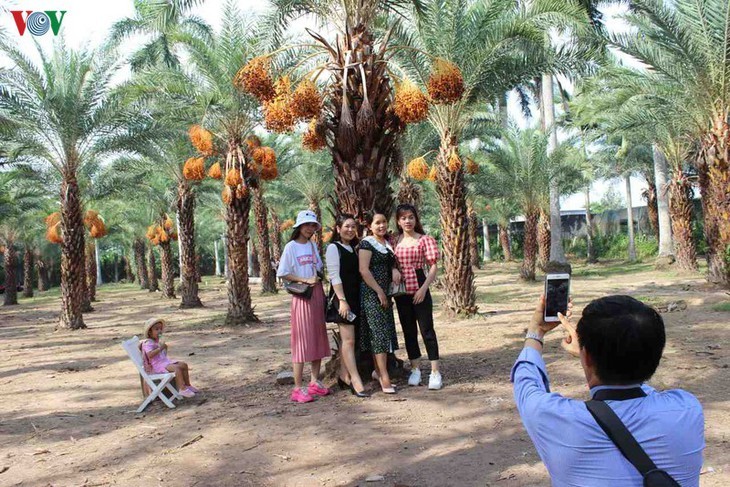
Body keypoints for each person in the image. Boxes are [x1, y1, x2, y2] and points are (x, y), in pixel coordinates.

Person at [512, 295, 704, 486]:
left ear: (586, 357)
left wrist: (536, 331)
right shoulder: (687, 408)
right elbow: (638, 389)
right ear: (657, 353)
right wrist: (591, 356)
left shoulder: (553, 417)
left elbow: (527, 383)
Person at [277, 210, 332, 404]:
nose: (310, 228)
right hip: (302, 296)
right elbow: (283, 273)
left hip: (316, 294)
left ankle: (314, 382)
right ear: (299, 227)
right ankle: (297, 387)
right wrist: (304, 279)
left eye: (313, 225)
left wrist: (316, 277)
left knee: (317, 337)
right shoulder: (291, 247)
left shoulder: (312, 245)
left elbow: (318, 267)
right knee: (301, 342)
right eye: (307, 225)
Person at [392, 204, 442, 390]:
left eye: (411, 217)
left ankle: (435, 371)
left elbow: (433, 266)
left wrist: (423, 288)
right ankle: (415, 368)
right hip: (402, 289)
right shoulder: (394, 241)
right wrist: (394, 269)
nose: (408, 221)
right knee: (408, 329)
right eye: (404, 218)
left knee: (427, 329)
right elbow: (390, 261)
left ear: (416, 219)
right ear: (398, 221)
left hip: (420, 282)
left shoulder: (424, 240)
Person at [325, 214, 369, 398]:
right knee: (349, 341)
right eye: (346, 226)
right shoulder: (333, 248)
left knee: (347, 340)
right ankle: (355, 379)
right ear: (338, 228)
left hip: (355, 297)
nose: (350, 230)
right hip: (343, 299)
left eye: (353, 227)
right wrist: (342, 301)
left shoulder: (352, 248)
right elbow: (334, 276)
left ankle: (343, 375)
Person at [359, 211, 400, 394]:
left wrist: (394, 269)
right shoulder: (367, 243)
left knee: (383, 333)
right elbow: (364, 270)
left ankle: (378, 371)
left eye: (384, 222)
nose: (381, 226)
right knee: (379, 335)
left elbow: (390, 261)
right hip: (372, 294)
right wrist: (379, 291)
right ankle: (384, 377)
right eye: (377, 223)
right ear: (370, 226)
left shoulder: (387, 242)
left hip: (385, 294)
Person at [141, 318, 198, 398]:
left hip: (163, 362)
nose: (159, 331)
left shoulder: (156, 341)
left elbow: (162, 355)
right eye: (156, 329)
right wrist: (160, 348)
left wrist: (164, 348)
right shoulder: (148, 343)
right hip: (157, 366)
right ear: (150, 332)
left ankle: (188, 385)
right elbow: (150, 355)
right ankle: (182, 388)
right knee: (176, 368)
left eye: (160, 329)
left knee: (183, 365)